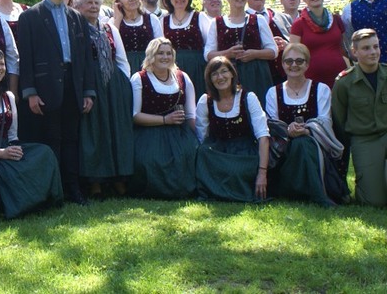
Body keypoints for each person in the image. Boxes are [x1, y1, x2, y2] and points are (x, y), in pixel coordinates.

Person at [17, 0, 95, 205]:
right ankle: (53, 191)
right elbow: (25, 58)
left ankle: (73, 190)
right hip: (45, 87)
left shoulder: (77, 18)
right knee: (50, 139)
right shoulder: (30, 17)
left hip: (73, 84)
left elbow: (85, 58)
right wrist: (30, 92)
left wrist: (88, 91)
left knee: (71, 139)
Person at [0, 48, 63, 217]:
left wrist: (15, 152)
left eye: (2, 64)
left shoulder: (8, 97)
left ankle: (45, 200)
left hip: (7, 148)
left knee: (44, 152)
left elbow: (13, 136)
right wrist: (1, 153)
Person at [265, 44, 348, 206]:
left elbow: (325, 121)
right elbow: (272, 125)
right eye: (289, 61)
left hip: (316, 147)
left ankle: (309, 191)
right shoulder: (273, 92)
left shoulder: (321, 89)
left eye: (299, 61)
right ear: (282, 64)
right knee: (299, 143)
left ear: (307, 64)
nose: (294, 65)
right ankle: (317, 194)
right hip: (285, 150)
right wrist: (288, 130)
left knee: (304, 143)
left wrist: (308, 130)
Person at [72, 0, 133, 197]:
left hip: (114, 85)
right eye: (88, 3)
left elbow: (122, 60)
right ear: (77, 6)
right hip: (90, 85)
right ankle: (96, 181)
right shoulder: (76, 29)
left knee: (116, 130)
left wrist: (124, 85)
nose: (93, 6)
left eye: (96, 2)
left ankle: (119, 177)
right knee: (95, 132)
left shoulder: (110, 29)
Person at [128, 37, 198, 199]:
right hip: (148, 133)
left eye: (168, 53)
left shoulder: (182, 77)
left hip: (179, 133)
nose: (165, 57)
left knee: (188, 154)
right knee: (150, 160)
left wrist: (198, 138)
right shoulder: (139, 78)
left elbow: (191, 114)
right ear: (151, 55)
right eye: (160, 53)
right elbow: (135, 116)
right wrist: (165, 120)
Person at [195, 56, 270, 202]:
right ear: (209, 79)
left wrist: (262, 173)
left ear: (232, 74)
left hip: (244, 151)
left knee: (235, 170)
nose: (220, 77)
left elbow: (263, 136)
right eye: (214, 74)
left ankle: (223, 189)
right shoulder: (205, 101)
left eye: (224, 71)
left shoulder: (248, 98)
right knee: (203, 153)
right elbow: (202, 135)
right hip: (218, 150)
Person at [332, 29, 387, 206]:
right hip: (365, 140)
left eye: (376, 47)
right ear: (354, 52)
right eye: (366, 48)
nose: (373, 52)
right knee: (374, 201)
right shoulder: (344, 82)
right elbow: (339, 118)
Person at [204, 0, 277, 104]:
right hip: (227, 77)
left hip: (256, 75)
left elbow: (273, 51)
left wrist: (254, 54)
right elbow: (208, 55)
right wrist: (227, 53)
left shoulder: (258, 20)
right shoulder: (216, 23)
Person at [289, 0, 347, 89]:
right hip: (312, 80)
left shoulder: (336, 19)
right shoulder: (299, 24)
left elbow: (344, 49)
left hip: (340, 78)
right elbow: (293, 55)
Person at [162, 0, 207, 97]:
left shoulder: (200, 17)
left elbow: (210, 44)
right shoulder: (163, 20)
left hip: (197, 68)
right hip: (172, 69)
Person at [247, 0, 292, 84]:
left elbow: (297, 44)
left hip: (286, 76)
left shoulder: (283, 17)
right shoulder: (242, 20)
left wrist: (286, 44)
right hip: (258, 77)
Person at [113, 0, 164, 73]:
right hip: (123, 68)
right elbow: (112, 45)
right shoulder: (113, 22)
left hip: (148, 67)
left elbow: (160, 46)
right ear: (119, 1)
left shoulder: (152, 19)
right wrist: (118, 18)